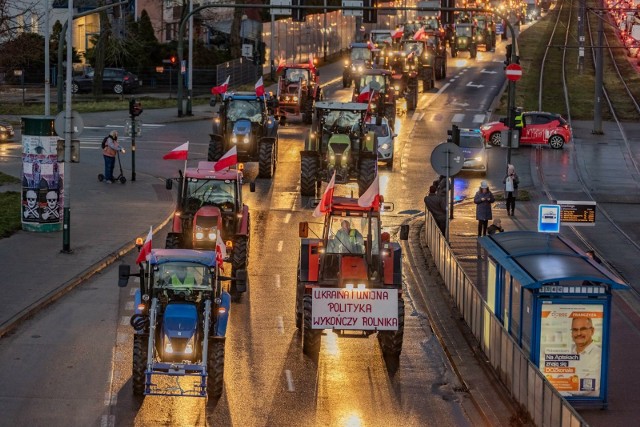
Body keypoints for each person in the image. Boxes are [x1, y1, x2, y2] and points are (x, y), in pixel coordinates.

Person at [568, 317, 602, 396]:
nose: (578, 333)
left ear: (592, 331)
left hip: (589, 405)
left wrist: (564, 388)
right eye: (575, 330)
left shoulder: (599, 355)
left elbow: (590, 386)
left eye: (583, 329)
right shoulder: (567, 353)